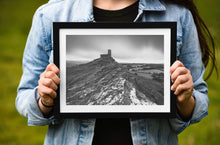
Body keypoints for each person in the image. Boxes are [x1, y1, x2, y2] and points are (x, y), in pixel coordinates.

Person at [16, 0, 217, 145]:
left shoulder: (178, 14)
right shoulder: (50, 15)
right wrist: (45, 101)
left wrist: (184, 100)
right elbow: (24, 96)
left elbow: (199, 99)